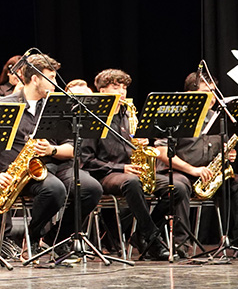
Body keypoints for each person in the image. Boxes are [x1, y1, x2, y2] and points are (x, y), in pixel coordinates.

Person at [0, 53, 100, 259]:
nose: (55, 83)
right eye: (51, 77)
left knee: (91, 189)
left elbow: (73, 148)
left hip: (57, 165)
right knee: (54, 190)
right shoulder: (4, 105)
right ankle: (33, 238)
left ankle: (54, 238)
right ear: (35, 79)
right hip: (21, 173)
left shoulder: (59, 105)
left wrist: (51, 150)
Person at [80, 69, 189, 260]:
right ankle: (152, 239)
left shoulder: (128, 114)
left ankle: (141, 234)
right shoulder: (92, 117)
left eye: (124, 88)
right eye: (116, 87)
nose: (122, 92)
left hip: (132, 171)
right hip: (105, 174)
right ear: (102, 91)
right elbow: (86, 160)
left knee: (177, 188)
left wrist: (141, 144)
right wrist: (121, 168)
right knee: (131, 182)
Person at [173, 72, 238, 250]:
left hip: (209, 174)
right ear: (190, 94)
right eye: (206, 91)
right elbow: (163, 152)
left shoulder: (218, 118)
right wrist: (193, 170)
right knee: (179, 186)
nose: (212, 97)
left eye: (213, 92)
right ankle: (181, 243)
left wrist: (228, 155)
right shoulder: (177, 116)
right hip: (183, 173)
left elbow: (222, 148)